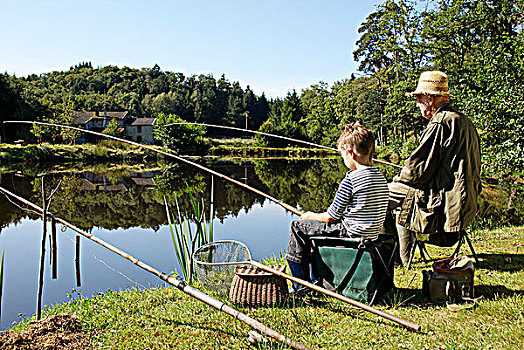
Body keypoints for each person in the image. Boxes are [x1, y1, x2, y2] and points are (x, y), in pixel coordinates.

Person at [388, 71, 482, 264]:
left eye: (419, 98)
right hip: (461, 199)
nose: (417, 103)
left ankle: (392, 257)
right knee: (400, 202)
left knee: (379, 195)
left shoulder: (440, 122)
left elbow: (418, 169)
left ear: (429, 99)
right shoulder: (464, 121)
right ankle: (400, 256)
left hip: (445, 199)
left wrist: (399, 178)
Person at [285, 124, 389, 290]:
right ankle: (316, 279)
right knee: (314, 230)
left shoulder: (351, 179)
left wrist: (310, 215)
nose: (344, 160)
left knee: (298, 227)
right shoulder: (380, 177)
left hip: (351, 232)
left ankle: (300, 286)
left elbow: (330, 217)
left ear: (350, 153)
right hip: (371, 234)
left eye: (343, 156)